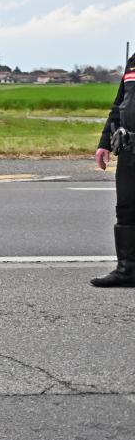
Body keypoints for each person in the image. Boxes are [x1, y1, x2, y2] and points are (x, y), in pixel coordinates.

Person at [91, 54, 135, 287]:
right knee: (126, 209)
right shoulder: (133, 61)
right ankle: (127, 270)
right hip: (129, 149)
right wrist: (104, 142)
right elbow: (120, 104)